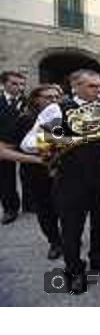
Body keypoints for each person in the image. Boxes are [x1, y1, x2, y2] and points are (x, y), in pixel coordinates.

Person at [21, 70, 100, 294]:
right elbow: (28, 142)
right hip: (71, 178)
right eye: (92, 86)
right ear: (75, 87)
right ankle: (74, 270)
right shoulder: (56, 109)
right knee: (71, 227)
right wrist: (60, 137)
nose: (99, 91)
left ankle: (98, 259)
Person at [9, 85, 63, 258]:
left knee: (67, 207)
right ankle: (54, 242)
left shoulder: (63, 117)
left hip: (62, 171)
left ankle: (69, 236)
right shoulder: (25, 119)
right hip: (35, 173)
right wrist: (38, 159)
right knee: (46, 210)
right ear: (36, 99)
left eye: (57, 97)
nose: (54, 101)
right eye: (49, 97)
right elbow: (7, 150)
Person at [0, 71, 26, 224]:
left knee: (30, 174)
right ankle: (10, 208)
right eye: (14, 84)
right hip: (4, 145)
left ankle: (31, 203)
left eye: (22, 84)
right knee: (5, 178)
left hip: (24, 144)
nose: (19, 88)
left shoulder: (28, 101)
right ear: (4, 84)